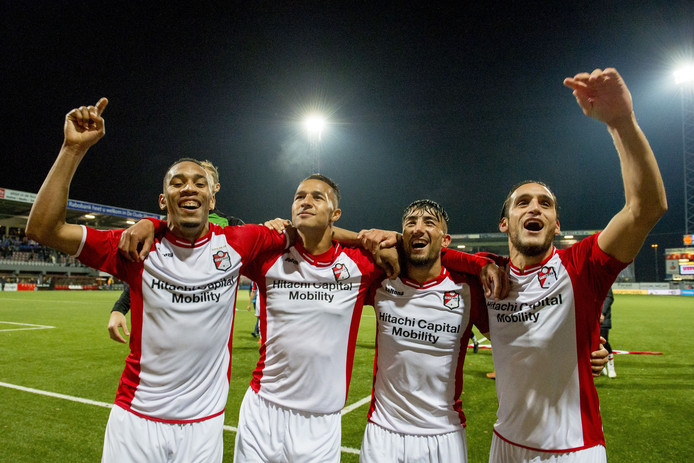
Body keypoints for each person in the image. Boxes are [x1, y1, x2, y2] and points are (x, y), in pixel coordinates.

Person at [25, 99, 289, 462]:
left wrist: (370, 240)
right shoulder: (135, 245)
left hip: (204, 426)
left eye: (199, 183)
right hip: (135, 420)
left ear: (213, 198)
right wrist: (72, 149)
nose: (189, 188)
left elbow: (310, 233)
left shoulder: (241, 241)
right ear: (163, 200)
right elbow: (43, 229)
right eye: (177, 183)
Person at [478, 68, 666, 462]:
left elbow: (645, 209)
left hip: (573, 450)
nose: (534, 208)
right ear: (504, 223)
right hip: (504, 445)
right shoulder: (482, 274)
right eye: (522, 202)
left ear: (556, 224)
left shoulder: (581, 265)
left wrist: (620, 122)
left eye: (545, 204)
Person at [359, 199, 489, 463]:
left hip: (444, 435)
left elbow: (514, 337)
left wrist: (582, 352)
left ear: (445, 240)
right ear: (401, 236)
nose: (418, 228)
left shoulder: (468, 290)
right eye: (411, 223)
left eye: (429, 222)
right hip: (383, 434)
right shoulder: (381, 281)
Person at [107, 159, 244, 344]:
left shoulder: (232, 226)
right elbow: (143, 271)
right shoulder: (164, 227)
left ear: (214, 189)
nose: (190, 188)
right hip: (167, 330)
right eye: (183, 182)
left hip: (209, 332)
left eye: (201, 182)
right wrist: (119, 308)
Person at [600, 287, 616, 378]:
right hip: (590, 318)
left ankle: (611, 366)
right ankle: (601, 367)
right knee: (593, 343)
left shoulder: (604, 280)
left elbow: (609, 297)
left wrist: (602, 313)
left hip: (603, 319)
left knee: (604, 342)